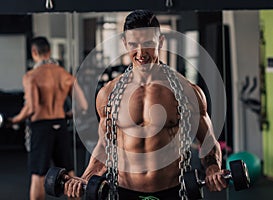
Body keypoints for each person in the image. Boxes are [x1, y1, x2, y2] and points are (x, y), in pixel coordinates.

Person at [64, 10, 227, 199]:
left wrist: (213, 168)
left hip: (173, 192)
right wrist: (85, 178)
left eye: (148, 44)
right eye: (133, 44)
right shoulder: (108, 94)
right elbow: (104, 147)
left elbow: (208, 141)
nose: (141, 53)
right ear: (125, 43)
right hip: (125, 192)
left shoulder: (187, 91)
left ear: (161, 42)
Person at [8, 36, 88, 200]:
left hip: (41, 128)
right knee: (70, 176)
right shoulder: (65, 75)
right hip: (60, 125)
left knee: (39, 175)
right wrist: (67, 115)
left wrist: (13, 120)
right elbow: (83, 106)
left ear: (34, 52)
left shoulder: (32, 76)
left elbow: (31, 107)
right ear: (49, 51)